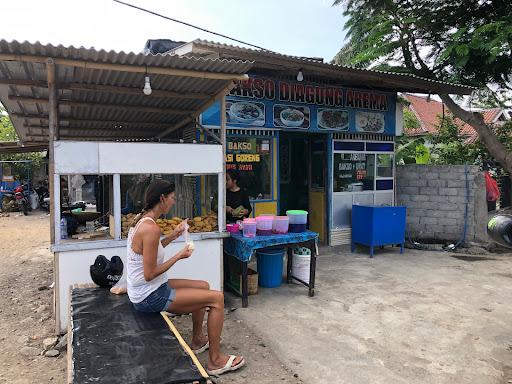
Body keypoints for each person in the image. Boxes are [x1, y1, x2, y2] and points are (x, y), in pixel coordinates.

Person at [126, 179, 245, 375]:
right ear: (162, 198)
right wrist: (179, 256)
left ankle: (198, 339)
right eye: (172, 198)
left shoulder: (143, 220)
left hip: (150, 287)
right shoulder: (151, 228)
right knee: (217, 298)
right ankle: (215, 361)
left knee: (204, 286)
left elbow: (152, 251)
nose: (174, 202)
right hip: (149, 295)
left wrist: (173, 235)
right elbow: (149, 274)